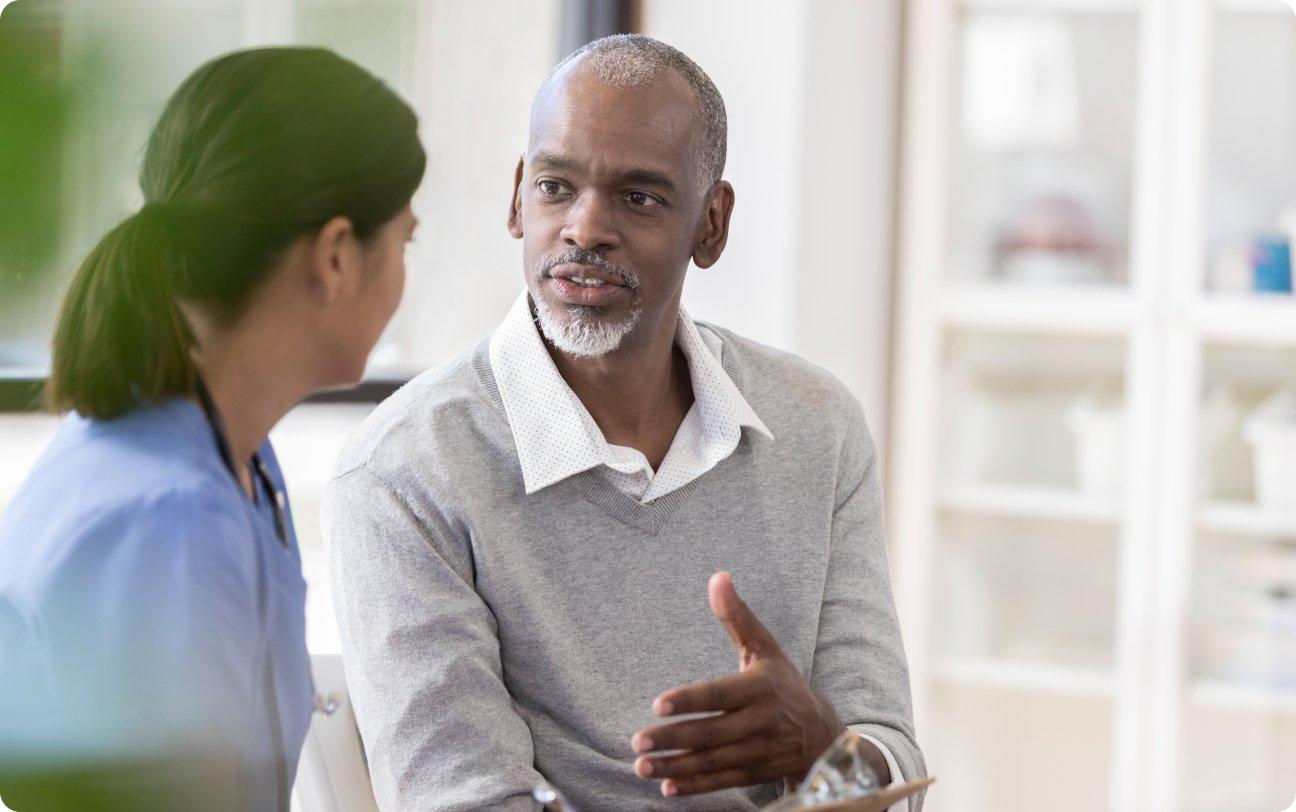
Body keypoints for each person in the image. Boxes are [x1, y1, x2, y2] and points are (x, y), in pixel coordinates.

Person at [325, 34, 924, 810]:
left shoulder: (817, 427)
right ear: (516, 198)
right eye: (555, 186)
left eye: (638, 197)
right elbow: (467, 800)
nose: (585, 228)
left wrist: (822, 752)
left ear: (711, 224)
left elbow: (892, 763)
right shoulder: (405, 471)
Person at [0, 46, 425, 811]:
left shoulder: (234, 455)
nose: (404, 273)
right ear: (335, 256)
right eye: (405, 241)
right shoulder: (170, 525)